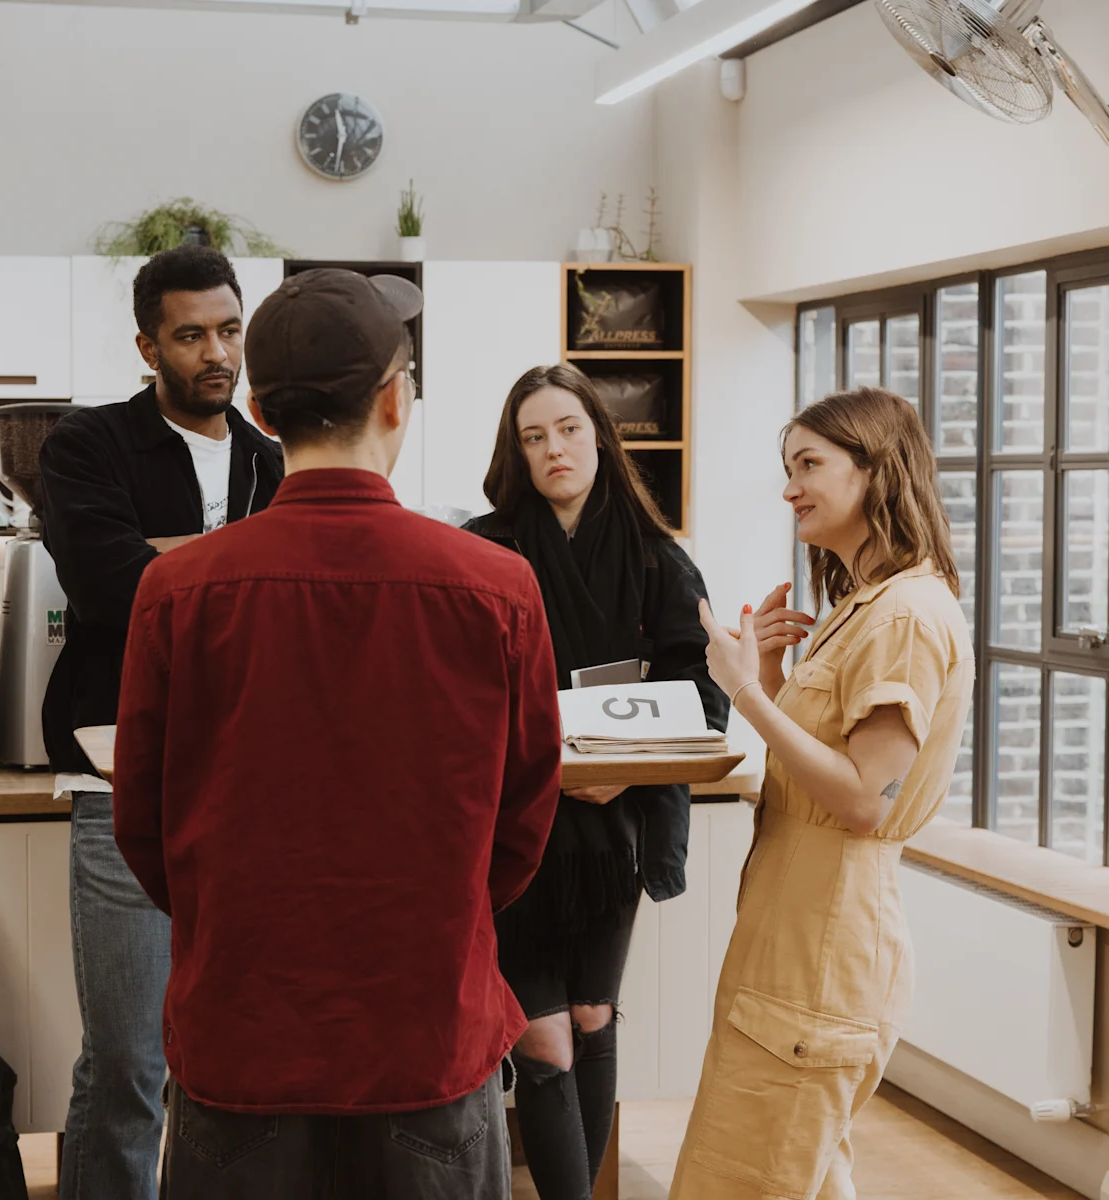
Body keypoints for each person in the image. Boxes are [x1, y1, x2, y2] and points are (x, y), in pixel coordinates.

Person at [111, 268, 564, 1200]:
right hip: (426, 1032)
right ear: (396, 400)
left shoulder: (178, 591)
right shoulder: (497, 587)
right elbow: (523, 819)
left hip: (243, 1038)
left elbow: (144, 825)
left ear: (265, 415)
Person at [670, 386, 975, 1200]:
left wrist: (747, 693)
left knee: (745, 1183)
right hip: (793, 934)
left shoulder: (907, 614)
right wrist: (770, 673)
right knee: (792, 1175)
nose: (789, 487)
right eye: (787, 466)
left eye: (809, 464)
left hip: (826, 945)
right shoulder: (863, 605)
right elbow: (830, 763)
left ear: (878, 471)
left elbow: (864, 800)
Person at [38, 245, 284, 1200]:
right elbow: (108, 582)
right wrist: (237, 562)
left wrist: (174, 557)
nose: (216, 353)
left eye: (229, 330)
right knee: (131, 1063)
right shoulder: (88, 443)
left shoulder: (272, 458)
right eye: (190, 336)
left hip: (250, 785)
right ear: (148, 345)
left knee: (234, 1058)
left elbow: (277, 594)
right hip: (121, 779)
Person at [463, 363, 729, 1200]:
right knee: (541, 1039)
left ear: (600, 439)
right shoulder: (485, 548)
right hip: (519, 834)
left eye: (568, 429)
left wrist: (623, 771)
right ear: (518, 453)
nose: (554, 449)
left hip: (616, 835)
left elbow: (705, 690)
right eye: (534, 437)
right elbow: (457, 692)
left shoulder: (659, 561)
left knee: (591, 1019)